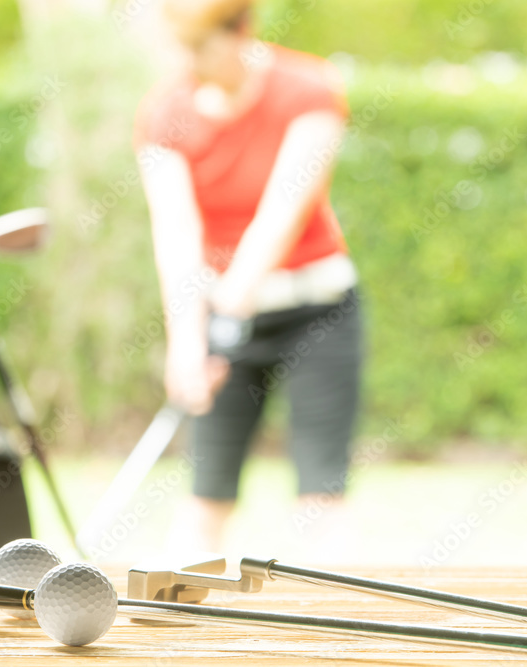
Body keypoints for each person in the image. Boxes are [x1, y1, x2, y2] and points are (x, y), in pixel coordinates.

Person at [134, 0, 363, 553]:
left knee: (318, 500)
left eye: (200, 45)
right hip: (221, 318)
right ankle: (180, 629)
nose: (188, 62)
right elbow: (176, 236)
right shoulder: (164, 114)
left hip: (318, 309)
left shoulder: (309, 90)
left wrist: (230, 306)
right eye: (180, 47)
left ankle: (328, 630)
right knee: (206, 496)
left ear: (241, 30)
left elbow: (282, 211)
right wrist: (186, 344)